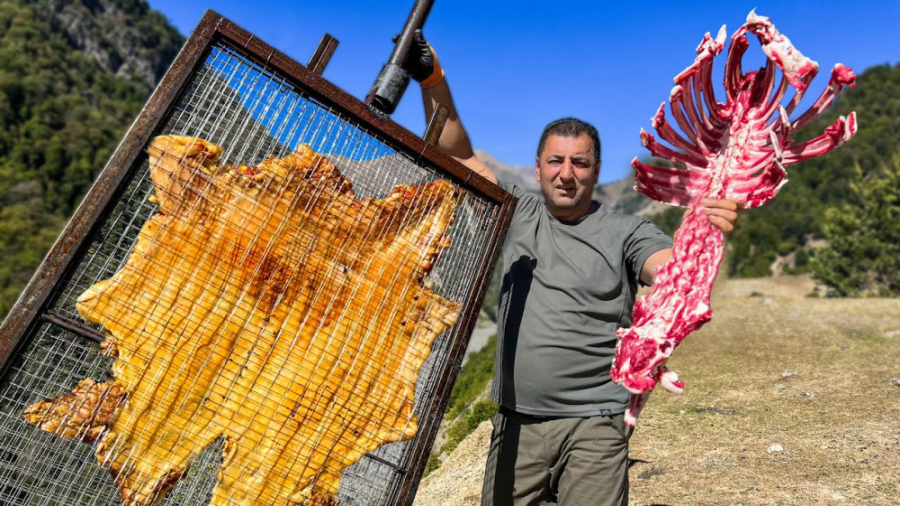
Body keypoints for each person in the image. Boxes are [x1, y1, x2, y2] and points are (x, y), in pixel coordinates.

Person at [399, 31, 739, 506]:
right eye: (555, 161)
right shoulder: (514, 213)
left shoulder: (627, 231)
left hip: (595, 422)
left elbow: (674, 274)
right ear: (538, 169)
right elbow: (455, 153)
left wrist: (705, 230)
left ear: (596, 171)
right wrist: (433, 78)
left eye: (579, 163)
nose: (566, 172)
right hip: (516, 422)